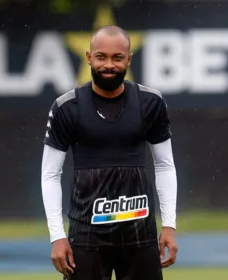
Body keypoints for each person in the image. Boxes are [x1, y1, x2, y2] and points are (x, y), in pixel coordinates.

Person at [40, 25, 178, 280]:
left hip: (140, 237)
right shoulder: (66, 107)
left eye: (117, 57)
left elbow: (165, 166)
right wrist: (57, 236)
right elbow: (50, 175)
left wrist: (169, 225)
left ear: (129, 59)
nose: (109, 65)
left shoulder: (151, 103)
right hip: (86, 239)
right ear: (89, 57)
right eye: (101, 56)